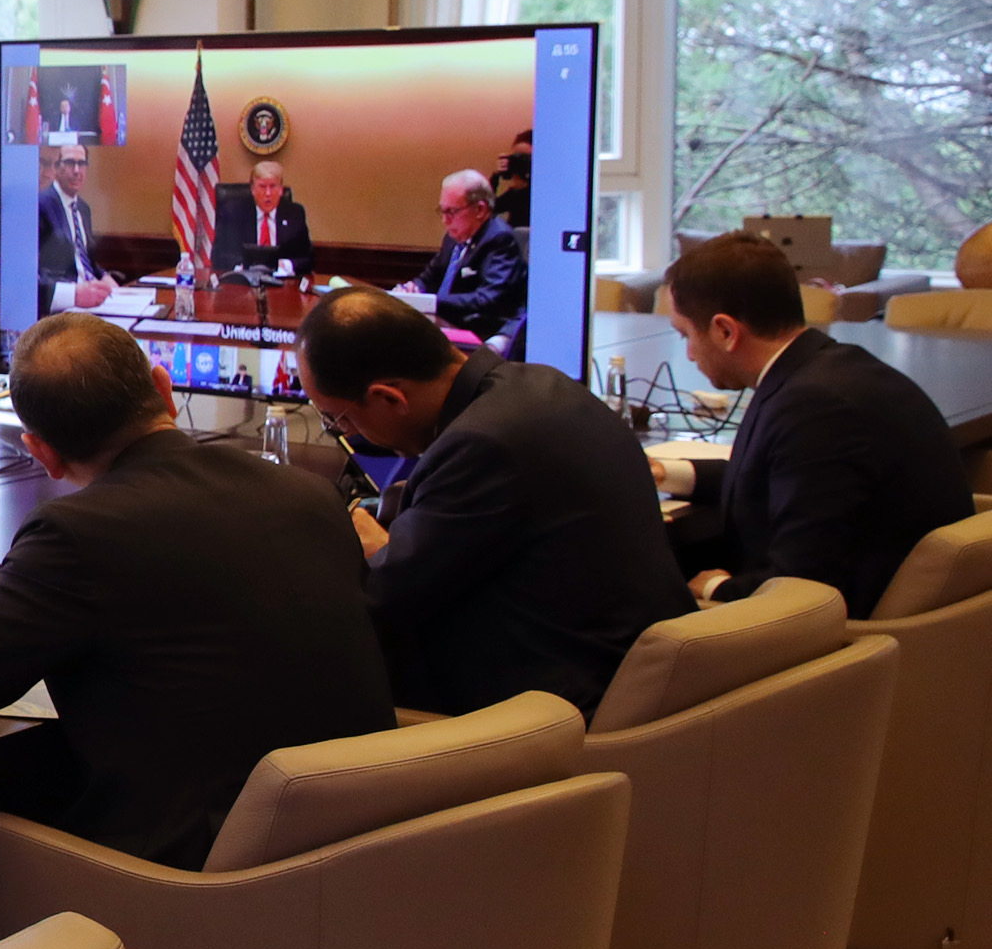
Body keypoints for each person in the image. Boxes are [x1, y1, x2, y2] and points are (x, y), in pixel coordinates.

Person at [0, 314, 390, 870]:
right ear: (164, 388)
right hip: (367, 851)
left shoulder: (78, 534)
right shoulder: (311, 495)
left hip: (196, 881)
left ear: (42, 452)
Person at [300, 287, 687, 718]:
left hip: (565, 708)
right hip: (631, 673)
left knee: (305, 665)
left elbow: (376, 604)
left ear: (390, 398)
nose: (345, 433)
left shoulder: (480, 444)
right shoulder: (546, 387)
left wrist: (368, 548)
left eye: (337, 419)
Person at [655, 232, 970, 618]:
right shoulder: (831, 371)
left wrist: (715, 588)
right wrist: (665, 473)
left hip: (849, 635)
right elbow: (778, 480)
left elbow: (804, 584)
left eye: (685, 334)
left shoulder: (815, 409)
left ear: (725, 331)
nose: (688, 354)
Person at [404, 169, 527, 348]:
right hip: (446, 325)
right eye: (442, 211)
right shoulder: (452, 238)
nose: (445, 220)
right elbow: (429, 278)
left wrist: (430, 303)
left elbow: (487, 299)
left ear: (480, 210)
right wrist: (412, 290)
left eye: (452, 211)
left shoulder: (499, 238)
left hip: (480, 332)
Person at [36, 139, 114, 312]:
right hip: (65, 305)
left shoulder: (83, 208)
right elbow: (35, 274)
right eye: (70, 163)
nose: (77, 171)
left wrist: (105, 278)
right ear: (56, 167)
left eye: (82, 164)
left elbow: (87, 260)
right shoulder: (40, 206)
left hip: (93, 300)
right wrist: (75, 294)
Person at [224, 159, 313, 271]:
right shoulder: (234, 212)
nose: (268, 193)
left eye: (273, 186)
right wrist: (245, 265)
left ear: (281, 190)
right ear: (253, 189)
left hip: (283, 279)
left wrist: (284, 265)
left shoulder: (295, 214)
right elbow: (221, 255)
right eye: (262, 186)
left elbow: (308, 258)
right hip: (245, 278)